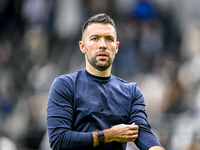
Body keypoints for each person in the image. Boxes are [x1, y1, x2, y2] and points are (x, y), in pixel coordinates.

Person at [46, 13, 165, 150]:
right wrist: (109, 135)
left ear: (117, 46)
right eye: (95, 38)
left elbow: (142, 133)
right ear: (82, 46)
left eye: (109, 39)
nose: (102, 45)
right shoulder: (65, 85)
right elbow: (59, 140)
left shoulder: (131, 91)